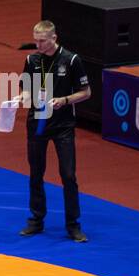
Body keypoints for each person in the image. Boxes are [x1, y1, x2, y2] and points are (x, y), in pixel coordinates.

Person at [18, 20, 91, 242]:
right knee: (36, 172)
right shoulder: (32, 60)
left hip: (63, 125)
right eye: (36, 40)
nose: (38, 44)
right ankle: (36, 220)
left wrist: (65, 99)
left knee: (68, 175)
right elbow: (26, 90)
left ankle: (73, 225)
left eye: (42, 41)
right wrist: (19, 99)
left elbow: (86, 92)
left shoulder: (71, 60)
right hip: (37, 122)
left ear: (53, 38)